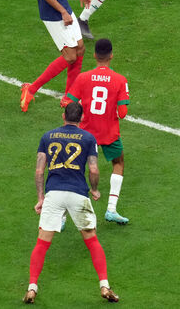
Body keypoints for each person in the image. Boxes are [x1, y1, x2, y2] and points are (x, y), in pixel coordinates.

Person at [23, 102, 119, 304]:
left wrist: (41, 198)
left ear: (63, 115)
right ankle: (104, 285)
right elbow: (93, 169)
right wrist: (94, 189)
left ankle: (32, 288)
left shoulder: (47, 136)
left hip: (54, 193)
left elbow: (39, 171)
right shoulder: (88, 138)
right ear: (82, 118)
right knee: (92, 240)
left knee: (42, 243)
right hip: (78, 194)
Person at [67, 38, 131, 225]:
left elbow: (68, 102)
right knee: (118, 163)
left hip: (86, 133)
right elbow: (123, 113)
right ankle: (111, 209)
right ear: (111, 55)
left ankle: (62, 216)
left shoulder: (83, 78)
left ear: (95, 55)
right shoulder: (120, 80)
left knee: (75, 168)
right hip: (109, 133)